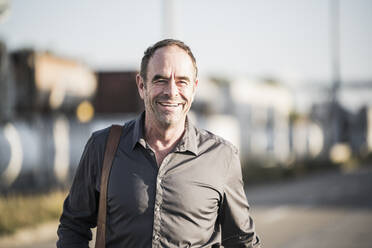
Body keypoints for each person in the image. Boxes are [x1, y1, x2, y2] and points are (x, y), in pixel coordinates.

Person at [57, 39, 260, 248]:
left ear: (194, 88)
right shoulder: (102, 147)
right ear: (142, 85)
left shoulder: (222, 156)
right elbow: (73, 226)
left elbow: (242, 241)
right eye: (160, 80)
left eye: (182, 81)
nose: (172, 91)